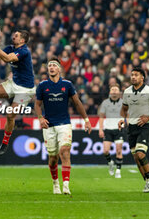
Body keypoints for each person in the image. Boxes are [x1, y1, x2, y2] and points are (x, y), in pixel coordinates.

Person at [34, 57, 92, 195]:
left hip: (64, 123)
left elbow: (77, 103)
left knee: (65, 151)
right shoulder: (42, 85)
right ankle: (55, 184)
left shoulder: (67, 85)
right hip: (49, 125)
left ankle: (66, 185)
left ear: (59, 69)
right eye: (49, 66)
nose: (51, 67)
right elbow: (37, 104)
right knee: (53, 158)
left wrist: (86, 119)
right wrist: (40, 118)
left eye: (54, 65)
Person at [119, 67, 149, 193]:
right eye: (132, 75)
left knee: (140, 154)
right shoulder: (127, 92)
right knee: (136, 158)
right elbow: (124, 109)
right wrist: (122, 119)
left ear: (142, 77)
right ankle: (148, 183)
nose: (133, 77)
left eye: (136, 75)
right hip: (131, 128)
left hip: (145, 126)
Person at [99, 84, 124, 178]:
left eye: (116, 89)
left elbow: (128, 115)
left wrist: (128, 125)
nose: (114, 91)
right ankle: (110, 162)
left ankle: (118, 170)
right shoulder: (105, 103)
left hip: (119, 129)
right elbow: (101, 117)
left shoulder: (123, 103)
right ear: (110, 92)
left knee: (118, 150)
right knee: (105, 151)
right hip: (108, 129)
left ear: (119, 92)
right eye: (112, 89)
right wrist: (100, 129)